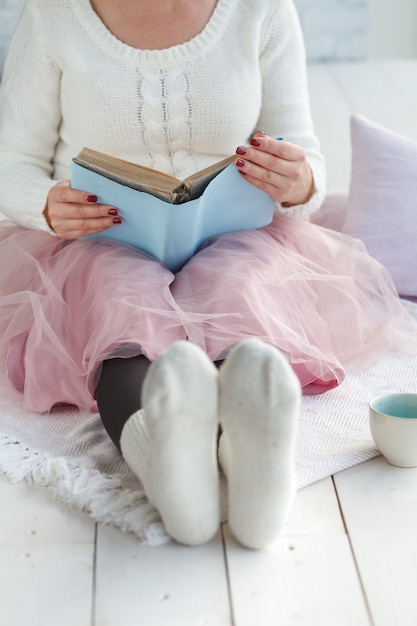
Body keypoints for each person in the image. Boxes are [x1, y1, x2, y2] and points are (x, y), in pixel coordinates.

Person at [0, 0, 413, 550]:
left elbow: (306, 160)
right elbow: (12, 163)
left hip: (234, 233)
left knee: (241, 297)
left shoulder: (262, 11)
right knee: (121, 314)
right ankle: (170, 476)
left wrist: (297, 181)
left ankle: (249, 468)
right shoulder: (52, 15)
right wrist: (46, 205)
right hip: (102, 241)